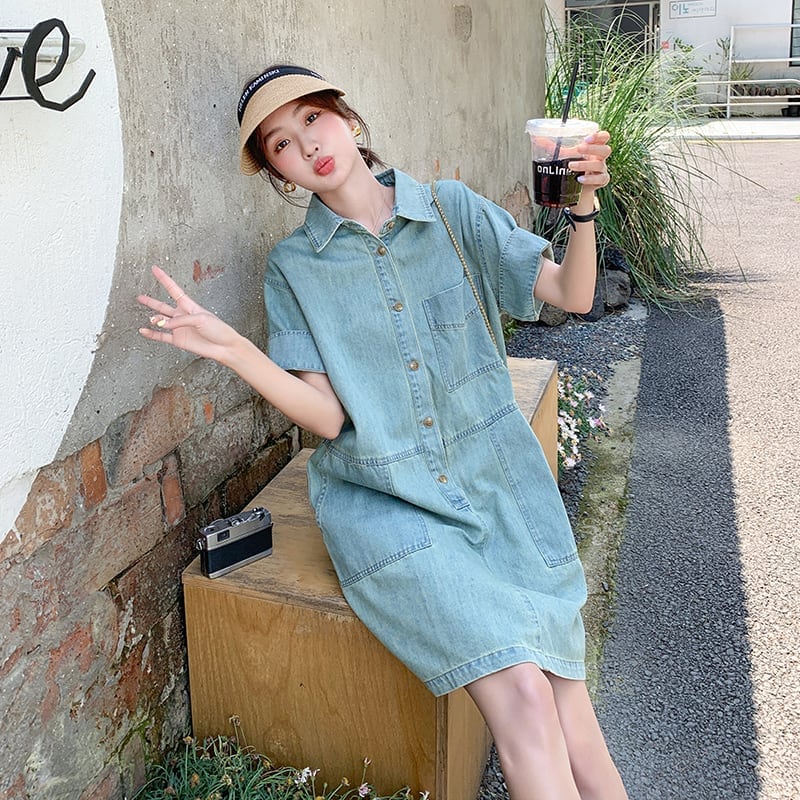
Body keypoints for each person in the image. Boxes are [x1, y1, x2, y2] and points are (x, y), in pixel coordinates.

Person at [138, 64, 627, 800]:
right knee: (526, 695)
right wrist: (235, 350)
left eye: (312, 118)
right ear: (276, 173)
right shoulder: (294, 267)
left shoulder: (451, 212)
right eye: (281, 143)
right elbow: (329, 418)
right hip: (390, 506)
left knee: (569, 698)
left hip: (496, 488)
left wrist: (584, 207)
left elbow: (572, 292)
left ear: (347, 118)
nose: (307, 145)